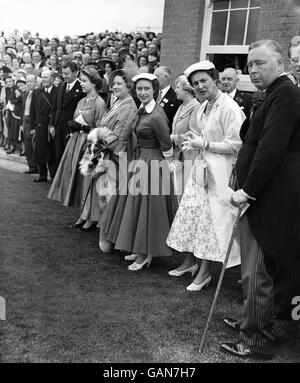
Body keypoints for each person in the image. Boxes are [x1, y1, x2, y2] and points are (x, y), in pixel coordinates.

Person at [220, 40, 300, 359]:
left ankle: (254, 338)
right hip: (262, 192)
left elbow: (270, 150)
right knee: (253, 267)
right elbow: (249, 139)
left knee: (256, 269)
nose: (252, 70)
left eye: (260, 63)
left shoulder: (286, 95)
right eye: (249, 64)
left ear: (280, 63)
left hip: (268, 195)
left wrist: (248, 190)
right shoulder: (271, 94)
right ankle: (250, 320)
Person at [166, 61, 245, 291]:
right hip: (201, 169)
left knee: (210, 223)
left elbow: (237, 145)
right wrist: (194, 143)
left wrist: (206, 143)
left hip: (219, 172)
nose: (200, 86)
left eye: (204, 81)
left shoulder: (229, 107)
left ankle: (205, 271)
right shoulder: (203, 107)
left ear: (215, 80)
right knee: (192, 216)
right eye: (195, 83)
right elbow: (201, 135)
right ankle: (190, 262)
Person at [100, 72, 178, 271]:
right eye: (140, 89)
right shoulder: (141, 109)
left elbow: (166, 143)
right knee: (136, 208)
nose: (142, 92)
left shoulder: (157, 114)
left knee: (147, 211)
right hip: (139, 161)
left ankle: (145, 254)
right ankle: (140, 248)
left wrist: (166, 167)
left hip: (152, 165)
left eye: (147, 89)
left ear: (155, 91)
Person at [83, 68, 138, 247]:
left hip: (118, 159)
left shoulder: (129, 105)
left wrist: (99, 134)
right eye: (113, 84)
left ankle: (110, 238)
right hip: (107, 157)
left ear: (128, 85)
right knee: (104, 197)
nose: (115, 87)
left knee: (110, 198)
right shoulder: (118, 102)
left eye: (119, 84)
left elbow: (119, 139)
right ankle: (107, 235)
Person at [48, 67, 105, 223]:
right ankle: (83, 214)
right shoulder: (81, 100)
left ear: (94, 83)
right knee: (78, 180)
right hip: (75, 142)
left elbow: (101, 130)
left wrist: (84, 128)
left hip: (89, 145)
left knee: (87, 180)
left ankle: (91, 217)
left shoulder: (99, 103)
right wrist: (73, 126)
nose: (81, 83)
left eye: (84, 81)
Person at [49, 61, 84, 171]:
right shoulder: (61, 85)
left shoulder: (81, 88)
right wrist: (52, 125)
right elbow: (55, 107)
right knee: (58, 155)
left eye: (67, 74)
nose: (64, 76)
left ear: (76, 73)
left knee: (69, 157)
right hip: (58, 127)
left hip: (71, 128)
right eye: (63, 73)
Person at [169, 74, 199, 199]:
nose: (175, 90)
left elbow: (194, 136)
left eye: (178, 87)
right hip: (177, 155)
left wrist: (173, 138)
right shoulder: (181, 106)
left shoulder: (196, 107)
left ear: (187, 89)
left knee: (182, 193)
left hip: (188, 157)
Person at [30, 69, 57, 182]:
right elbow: (32, 111)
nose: (43, 80)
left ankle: (53, 176)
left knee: (52, 152)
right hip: (40, 126)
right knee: (40, 150)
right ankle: (42, 175)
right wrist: (32, 127)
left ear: (52, 79)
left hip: (51, 127)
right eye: (42, 77)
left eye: (46, 77)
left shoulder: (58, 91)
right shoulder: (37, 92)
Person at [154, 66, 181, 131]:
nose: (154, 79)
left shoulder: (176, 97)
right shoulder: (152, 94)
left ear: (166, 77)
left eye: (157, 76)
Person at [21, 73, 38, 174]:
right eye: (27, 81)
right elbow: (23, 109)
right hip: (25, 120)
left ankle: (37, 167)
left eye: (31, 81)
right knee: (27, 145)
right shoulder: (26, 93)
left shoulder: (38, 93)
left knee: (34, 144)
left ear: (36, 81)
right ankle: (31, 167)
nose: (29, 83)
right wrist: (21, 123)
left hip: (33, 121)